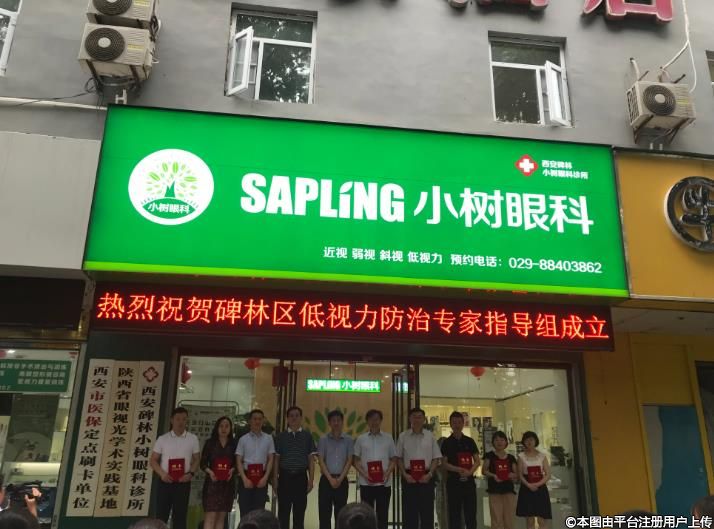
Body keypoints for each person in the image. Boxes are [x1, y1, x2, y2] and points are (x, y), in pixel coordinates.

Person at [150, 406, 200, 529]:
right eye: (178, 419)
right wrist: (162, 474)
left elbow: (197, 459)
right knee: (161, 516)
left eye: (184, 419)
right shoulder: (163, 439)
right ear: (172, 420)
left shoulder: (193, 439)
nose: (181, 422)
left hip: (183, 482)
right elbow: (153, 460)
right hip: (165, 481)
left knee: (180, 517)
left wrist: (190, 474)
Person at [396, 407, 442, 529]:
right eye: (414, 417)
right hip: (409, 477)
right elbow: (398, 458)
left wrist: (430, 474)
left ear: (424, 419)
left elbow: (436, 458)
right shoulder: (403, 436)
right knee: (409, 513)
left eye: (419, 417)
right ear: (410, 419)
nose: (417, 419)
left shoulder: (430, 436)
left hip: (426, 477)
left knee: (427, 513)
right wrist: (405, 475)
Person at [273, 405, 316, 529]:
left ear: (301, 418)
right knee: (283, 513)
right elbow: (276, 459)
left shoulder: (307, 436)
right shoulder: (280, 437)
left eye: (297, 415)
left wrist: (311, 480)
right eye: (291, 416)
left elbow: (311, 459)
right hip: (284, 478)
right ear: (287, 418)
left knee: (299, 513)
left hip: (301, 478)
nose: (294, 418)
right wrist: (275, 479)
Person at [353, 409, 396, 529]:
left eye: (376, 419)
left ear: (381, 421)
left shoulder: (388, 438)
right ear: (367, 421)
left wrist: (387, 473)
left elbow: (394, 459)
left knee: (383, 515)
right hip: (366, 483)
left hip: (384, 483)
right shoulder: (361, 439)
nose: (374, 422)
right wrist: (365, 474)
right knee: (367, 516)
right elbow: (355, 460)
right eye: (371, 419)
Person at [440, 411, 481, 529]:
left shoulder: (470, 441)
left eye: (459, 422)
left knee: (471, 514)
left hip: (469, 483)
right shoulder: (446, 443)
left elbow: (477, 461)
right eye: (454, 422)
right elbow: (444, 463)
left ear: (463, 423)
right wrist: (458, 469)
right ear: (450, 424)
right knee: (454, 514)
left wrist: (470, 472)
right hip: (453, 482)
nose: (457, 425)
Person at [317, 410, 354, 529]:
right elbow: (321, 460)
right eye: (333, 420)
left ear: (342, 422)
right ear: (329, 423)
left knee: (341, 515)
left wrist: (340, 478)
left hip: (342, 481)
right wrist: (330, 479)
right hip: (326, 480)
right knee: (324, 515)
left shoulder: (349, 440)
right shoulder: (323, 439)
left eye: (338, 420)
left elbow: (349, 460)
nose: (336, 423)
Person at [200, 416, 237, 529]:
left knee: (221, 518)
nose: (224, 429)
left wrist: (232, 470)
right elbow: (202, 463)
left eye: (227, 426)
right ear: (217, 428)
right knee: (210, 517)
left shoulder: (234, 444)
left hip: (227, 484)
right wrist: (210, 472)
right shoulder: (210, 443)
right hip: (212, 484)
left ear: (230, 428)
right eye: (221, 426)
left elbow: (237, 463)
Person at [236, 409, 275, 516]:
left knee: (258, 512)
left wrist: (265, 478)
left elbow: (271, 459)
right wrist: (244, 479)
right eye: (255, 419)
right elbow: (238, 460)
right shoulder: (243, 439)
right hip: (246, 476)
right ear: (250, 421)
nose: (257, 421)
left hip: (262, 477)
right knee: (244, 511)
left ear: (263, 421)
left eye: (260, 419)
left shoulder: (268, 439)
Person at [516, 431, 552, 529]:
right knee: (529, 519)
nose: (529, 442)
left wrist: (538, 484)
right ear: (523, 442)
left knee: (542, 519)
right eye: (527, 440)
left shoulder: (542, 456)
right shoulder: (521, 456)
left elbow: (548, 474)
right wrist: (529, 485)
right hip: (526, 487)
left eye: (531, 439)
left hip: (540, 488)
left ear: (536, 441)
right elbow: (520, 474)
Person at [482, 431, 518, 529]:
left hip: (508, 490)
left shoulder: (511, 457)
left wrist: (512, 475)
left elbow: (517, 474)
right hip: (494, 490)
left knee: (509, 518)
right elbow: (484, 471)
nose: (499, 442)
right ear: (493, 442)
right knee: (496, 518)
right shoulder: (489, 455)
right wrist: (494, 475)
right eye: (496, 440)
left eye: (502, 440)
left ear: (506, 442)